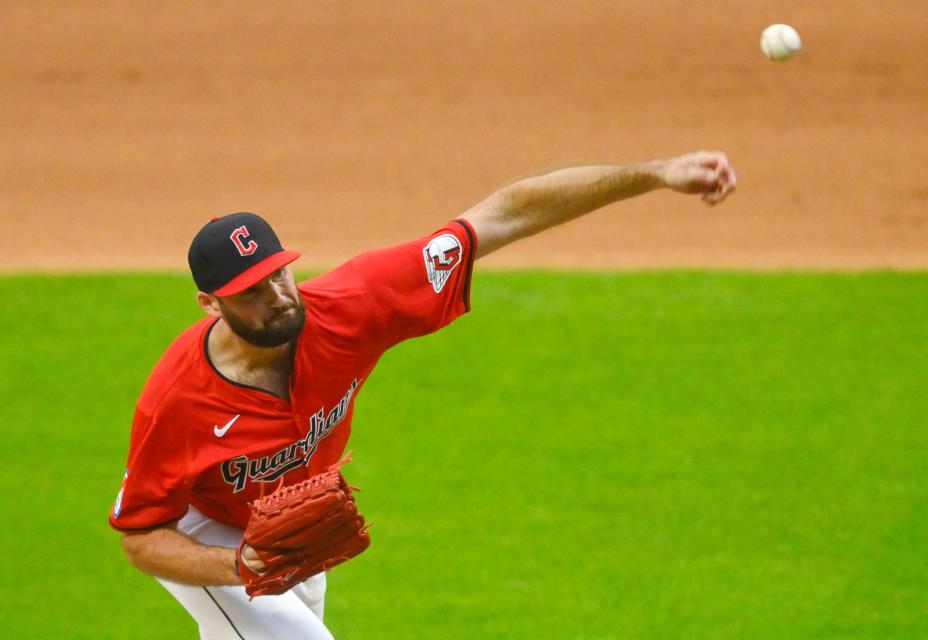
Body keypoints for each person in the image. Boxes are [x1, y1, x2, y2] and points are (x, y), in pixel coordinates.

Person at [109, 151, 736, 639]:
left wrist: (657, 174)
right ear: (210, 303)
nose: (277, 296)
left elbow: (501, 215)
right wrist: (237, 565)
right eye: (251, 290)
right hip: (204, 529)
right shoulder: (179, 399)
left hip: (287, 528)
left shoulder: (355, 304)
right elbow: (141, 537)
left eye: (279, 273)